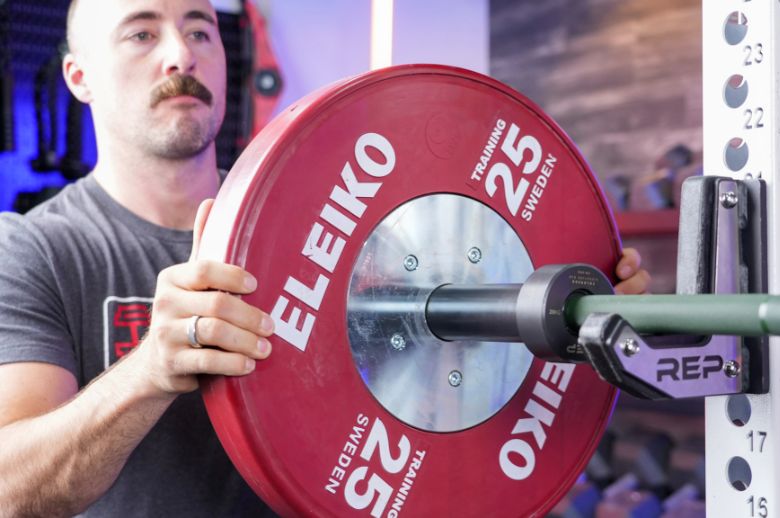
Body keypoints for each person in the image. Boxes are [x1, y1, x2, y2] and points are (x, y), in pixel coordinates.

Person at [0, 0, 651, 515]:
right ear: (78, 76)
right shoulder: (32, 250)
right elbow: (12, 490)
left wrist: (579, 319)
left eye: (200, 31)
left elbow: (470, 419)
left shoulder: (331, 213)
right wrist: (150, 371)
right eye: (141, 34)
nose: (181, 54)